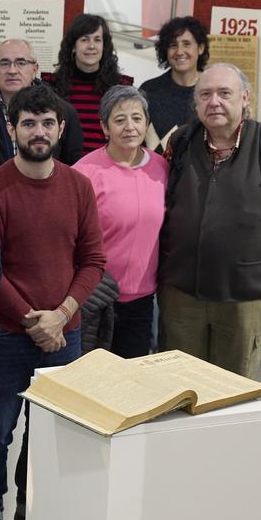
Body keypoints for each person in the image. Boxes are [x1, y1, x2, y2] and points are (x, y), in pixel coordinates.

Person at [0, 84, 105, 520]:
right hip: (6, 337)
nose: (39, 131)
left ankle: (31, 507)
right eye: (28, 122)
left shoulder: (78, 186)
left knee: (47, 433)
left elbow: (92, 261)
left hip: (65, 338)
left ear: (61, 128)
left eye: (47, 122)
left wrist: (62, 316)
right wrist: (34, 320)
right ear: (12, 129)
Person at [158, 63, 261, 378]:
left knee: (231, 392)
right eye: (205, 94)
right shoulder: (181, 143)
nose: (214, 101)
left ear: (245, 98)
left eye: (224, 93)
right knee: (176, 386)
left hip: (246, 299)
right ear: (196, 103)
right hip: (181, 297)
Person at [73, 86, 168, 358]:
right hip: (95, 299)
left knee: (131, 384)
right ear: (105, 127)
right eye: (119, 119)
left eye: (137, 118)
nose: (130, 127)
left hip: (142, 300)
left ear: (147, 124)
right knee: (91, 382)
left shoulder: (162, 168)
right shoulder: (84, 172)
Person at [0, 39, 84, 187]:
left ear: (35, 69)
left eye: (21, 63)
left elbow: (73, 165)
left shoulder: (63, 111)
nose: (12, 70)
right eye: (4, 63)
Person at [42, 14, 134, 155]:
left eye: (97, 40)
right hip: (64, 169)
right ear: (73, 47)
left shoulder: (121, 88)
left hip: (107, 168)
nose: (91, 46)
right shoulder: (52, 86)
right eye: (84, 40)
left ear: (104, 46)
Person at [139, 16, 210, 145]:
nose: (179, 51)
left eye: (186, 44)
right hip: (156, 165)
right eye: (173, 45)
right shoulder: (149, 90)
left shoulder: (212, 90)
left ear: (200, 48)